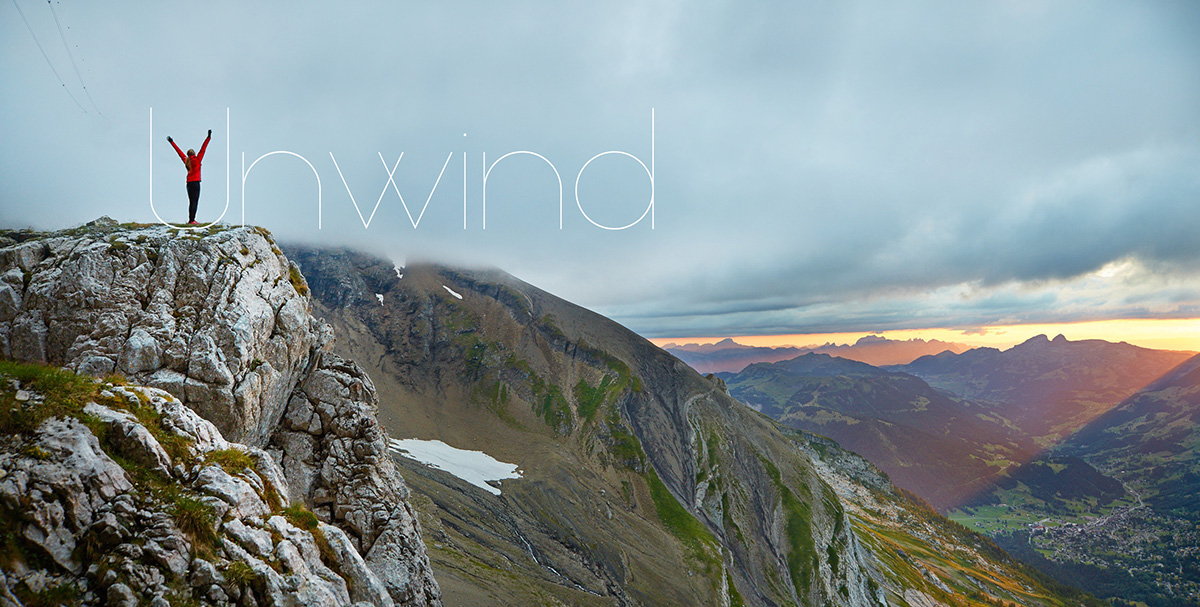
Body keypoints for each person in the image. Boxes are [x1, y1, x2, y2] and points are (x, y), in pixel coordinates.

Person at [167, 130, 211, 225]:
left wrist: (172, 142)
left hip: (189, 184)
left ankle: (191, 220)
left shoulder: (186, 160)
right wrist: (208, 137)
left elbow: (179, 152)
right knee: (195, 202)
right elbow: (203, 148)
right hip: (196, 183)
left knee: (191, 202)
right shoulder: (197, 159)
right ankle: (192, 220)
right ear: (194, 153)